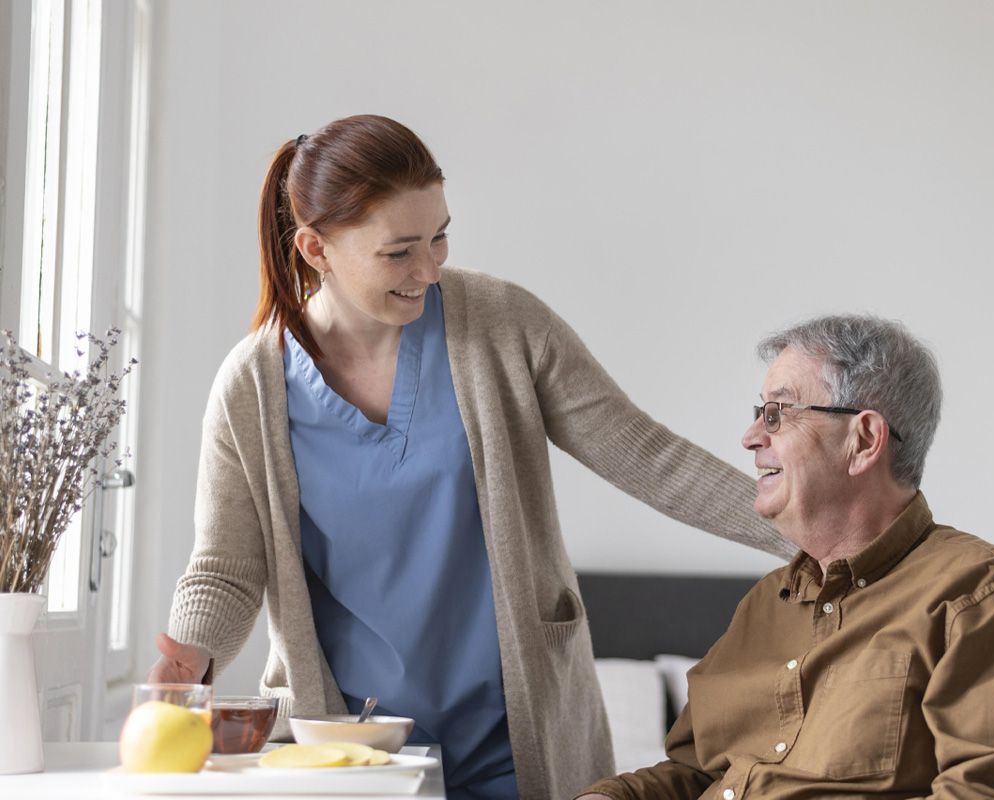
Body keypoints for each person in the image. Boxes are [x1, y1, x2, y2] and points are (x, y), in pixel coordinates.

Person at [146, 114, 793, 800]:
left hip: (516, 738)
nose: (429, 268)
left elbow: (646, 456)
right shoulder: (252, 386)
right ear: (315, 249)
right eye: (399, 251)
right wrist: (193, 655)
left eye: (440, 236)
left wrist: (806, 527)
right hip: (351, 748)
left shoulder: (503, 325)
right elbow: (226, 565)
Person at [579, 315, 994, 799]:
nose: (751, 436)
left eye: (778, 413)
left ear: (865, 439)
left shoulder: (976, 595)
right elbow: (697, 773)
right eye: (759, 413)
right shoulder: (762, 607)